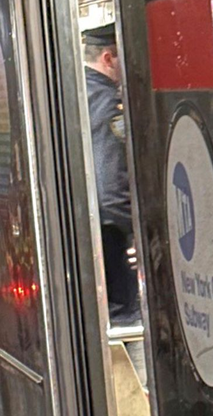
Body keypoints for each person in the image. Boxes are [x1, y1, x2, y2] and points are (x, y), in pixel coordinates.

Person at [83, 23, 140, 325]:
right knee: (127, 322)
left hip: (90, 236)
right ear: (108, 58)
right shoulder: (107, 103)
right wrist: (138, 230)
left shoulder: (79, 93)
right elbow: (111, 187)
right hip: (113, 241)